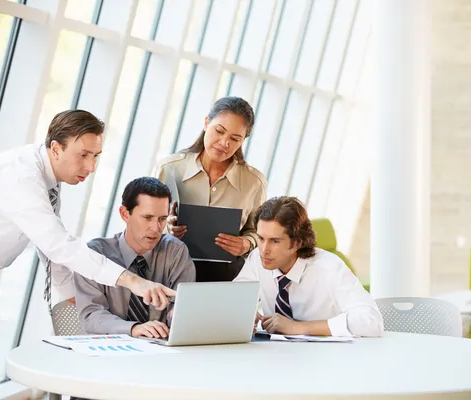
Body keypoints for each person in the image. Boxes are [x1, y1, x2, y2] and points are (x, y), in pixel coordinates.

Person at [0, 110, 174, 400]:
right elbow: (60, 245)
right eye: (84, 155)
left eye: (96, 156)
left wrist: (70, 325)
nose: (91, 167)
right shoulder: (21, 178)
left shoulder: (45, 178)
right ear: (55, 148)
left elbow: (54, 256)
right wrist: (134, 282)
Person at [234, 196, 384, 337]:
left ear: (297, 243)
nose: (264, 250)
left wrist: (299, 327)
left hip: (329, 357)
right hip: (276, 357)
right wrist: (245, 311)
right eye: (261, 238)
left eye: (275, 241)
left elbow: (371, 321)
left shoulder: (329, 268)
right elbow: (234, 298)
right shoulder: (256, 259)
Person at [153, 96, 266, 282]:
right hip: (169, 272)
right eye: (219, 131)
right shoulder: (170, 169)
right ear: (206, 123)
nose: (224, 143)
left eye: (235, 138)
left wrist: (247, 244)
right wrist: (167, 228)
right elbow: (146, 220)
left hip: (224, 278)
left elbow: (259, 232)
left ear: (243, 140)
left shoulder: (254, 182)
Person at [73, 177, 195, 338]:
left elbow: (184, 307)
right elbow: (91, 315)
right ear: (125, 214)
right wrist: (133, 328)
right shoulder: (95, 255)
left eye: (162, 219)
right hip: (108, 350)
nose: (156, 227)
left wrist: (177, 315)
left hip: (160, 351)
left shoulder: (175, 251)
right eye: (147, 217)